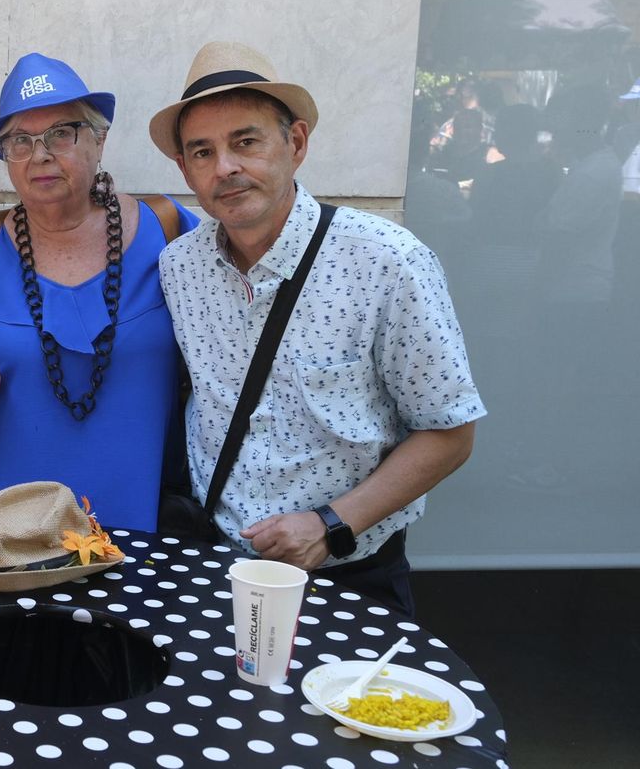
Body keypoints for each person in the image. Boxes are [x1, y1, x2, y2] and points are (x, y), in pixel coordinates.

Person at [149, 42, 486, 618]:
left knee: (340, 713)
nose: (225, 167)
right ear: (185, 170)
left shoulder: (387, 262)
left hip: (347, 572)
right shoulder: (179, 268)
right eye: (202, 152)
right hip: (212, 566)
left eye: (246, 141)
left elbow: (449, 432)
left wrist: (330, 526)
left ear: (296, 143)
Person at [0, 53, 197, 527]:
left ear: (99, 140)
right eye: (20, 140)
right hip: (5, 529)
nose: (40, 155)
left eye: (61, 133)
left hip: (138, 517)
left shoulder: (169, 231)